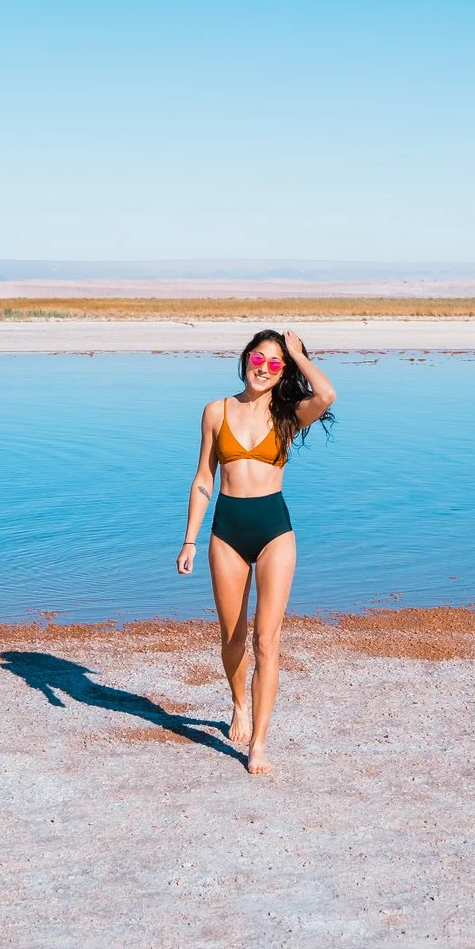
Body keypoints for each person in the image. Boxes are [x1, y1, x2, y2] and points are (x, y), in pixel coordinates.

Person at [176, 328, 337, 774]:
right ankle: (238, 702)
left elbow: (326, 393)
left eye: (274, 364)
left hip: (274, 532)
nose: (264, 369)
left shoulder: (289, 414)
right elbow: (203, 479)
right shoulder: (216, 411)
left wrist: (299, 355)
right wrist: (189, 539)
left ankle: (259, 743)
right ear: (245, 358)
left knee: (267, 641)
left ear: (283, 371)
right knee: (232, 638)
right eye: (258, 359)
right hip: (226, 531)